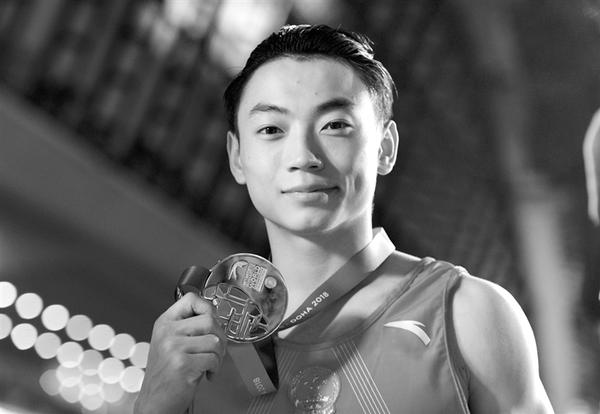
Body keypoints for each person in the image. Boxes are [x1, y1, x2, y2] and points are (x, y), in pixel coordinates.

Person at [135, 24, 554, 413]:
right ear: (237, 157)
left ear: (385, 148)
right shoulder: (199, 348)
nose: (303, 157)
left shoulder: (465, 315)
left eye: (335, 125)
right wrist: (156, 400)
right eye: (272, 130)